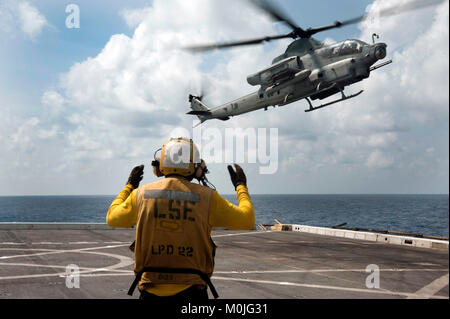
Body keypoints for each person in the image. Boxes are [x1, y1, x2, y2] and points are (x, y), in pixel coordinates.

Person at [106, 137, 255, 300]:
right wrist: (241, 186)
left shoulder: (140, 194)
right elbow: (247, 220)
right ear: (195, 168)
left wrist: (129, 186)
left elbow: (112, 218)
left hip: (150, 290)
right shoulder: (208, 197)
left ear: (160, 166)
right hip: (193, 292)